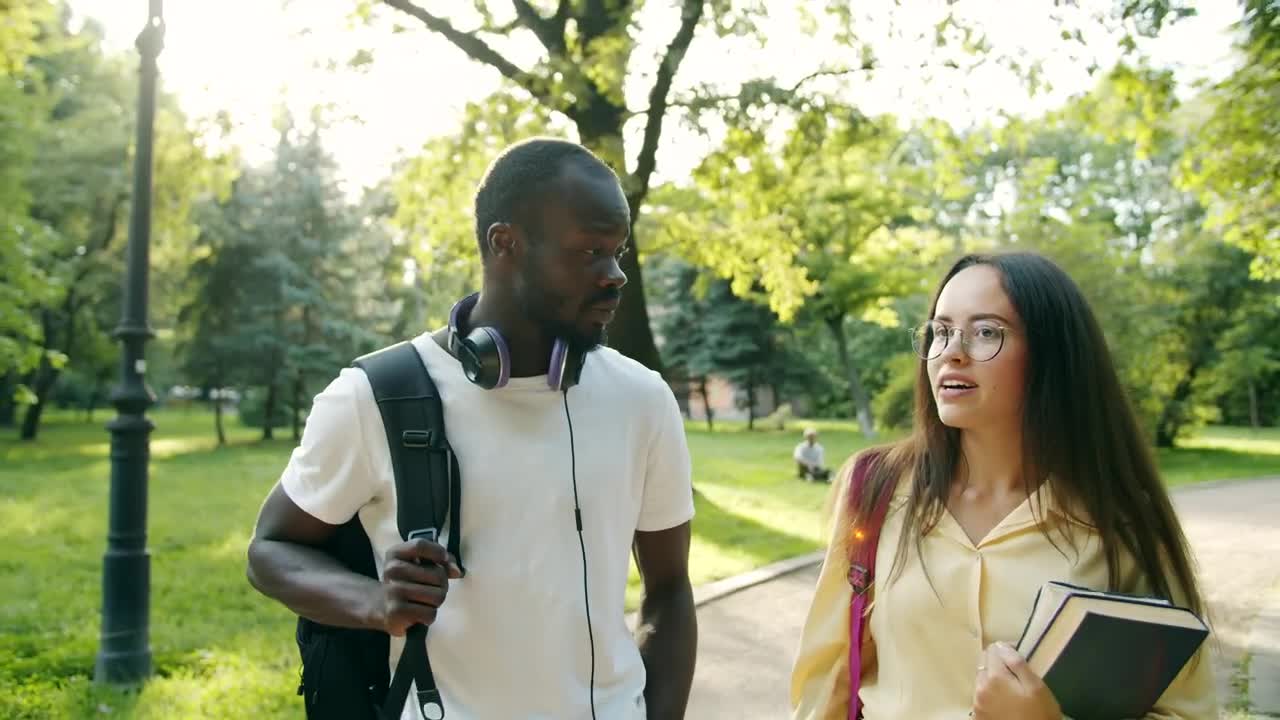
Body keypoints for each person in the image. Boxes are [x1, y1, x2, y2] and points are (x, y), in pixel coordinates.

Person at [246, 138, 698, 720]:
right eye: (589, 252)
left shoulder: (643, 399)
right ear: (505, 243)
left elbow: (669, 590)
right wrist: (372, 601)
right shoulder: (377, 396)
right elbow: (270, 550)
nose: (615, 276)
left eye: (618, 252)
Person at [789, 251, 1217, 719]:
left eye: (986, 332)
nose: (952, 351)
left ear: (1052, 356)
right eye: (941, 330)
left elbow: (1185, 711)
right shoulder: (875, 488)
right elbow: (825, 684)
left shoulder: (1122, 525)